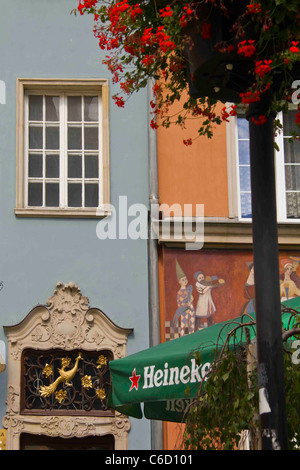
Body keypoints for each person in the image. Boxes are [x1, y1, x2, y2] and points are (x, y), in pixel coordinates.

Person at [172, 260, 195, 336]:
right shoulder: (179, 292)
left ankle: (193, 336)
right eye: (183, 280)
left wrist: (191, 300)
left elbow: (191, 298)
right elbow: (180, 303)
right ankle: (181, 336)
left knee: (192, 325)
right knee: (183, 325)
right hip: (184, 310)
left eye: (185, 279)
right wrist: (186, 304)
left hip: (191, 309)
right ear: (179, 281)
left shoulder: (189, 290)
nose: (185, 281)